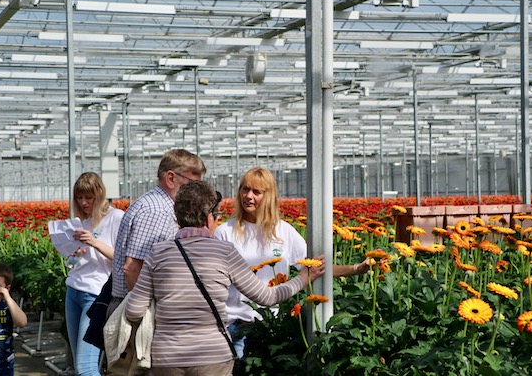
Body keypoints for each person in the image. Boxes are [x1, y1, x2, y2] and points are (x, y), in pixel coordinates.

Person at [125, 181, 325, 376]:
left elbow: (133, 311)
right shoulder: (224, 251)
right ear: (209, 218)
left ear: (177, 217)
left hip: (167, 357)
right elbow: (267, 297)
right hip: (212, 356)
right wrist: (303, 277)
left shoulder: (158, 253)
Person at [214, 166, 371, 358]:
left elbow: (315, 266)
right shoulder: (225, 232)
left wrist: (356, 269)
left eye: (257, 192)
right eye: (245, 189)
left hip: (273, 324)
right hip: (235, 325)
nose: (248, 196)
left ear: (269, 196)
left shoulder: (283, 231)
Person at [109, 149, 206, 315]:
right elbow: (133, 268)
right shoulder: (158, 211)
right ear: (171, 178)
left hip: (129, 302)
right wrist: (142, 313)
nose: (195, 191)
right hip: (136, 306)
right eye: (192, 183)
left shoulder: (152, 202)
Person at [64, 172, 125, 376]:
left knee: (86, 367)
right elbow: (72, 262)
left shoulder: (116, 218)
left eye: (88, 197)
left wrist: (94, 242)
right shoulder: (82, 220)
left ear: (99, 194)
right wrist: (73, 254)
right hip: (73, 291)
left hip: (96, 295)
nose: (83, 202)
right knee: (78, 363)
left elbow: (124, 258)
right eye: (79, 198)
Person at [0, 262, 27, 376]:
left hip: (5, 364)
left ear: (7, 288)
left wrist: (8, 298)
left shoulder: (8, 306)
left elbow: (22, 323)